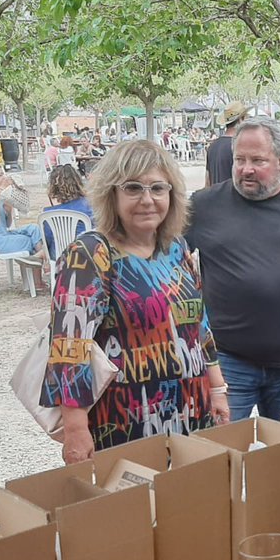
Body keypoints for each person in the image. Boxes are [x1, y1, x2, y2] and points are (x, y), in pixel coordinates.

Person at [42, 140, 230, 461]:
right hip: (124, 424)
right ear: (111, 194)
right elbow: (68, 348)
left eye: (158, 188)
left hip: (191, 413)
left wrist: (217, 389)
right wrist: (75, 429)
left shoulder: (176, 248)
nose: (147, 199)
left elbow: (199, 325)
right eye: (133, 188)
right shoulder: (88, 254)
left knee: (190, 505)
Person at [186, 116, 280, 422]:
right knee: (217, 457)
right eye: (240, 159)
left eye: (257, 160)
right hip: (227, 363)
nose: (246, 169)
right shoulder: (203, 206)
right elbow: (163, 253)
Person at [0, 163, 46, 258]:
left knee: (33, 229)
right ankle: (43, 258)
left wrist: (9, 211)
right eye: (0, 175)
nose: (3, 177)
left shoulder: (1, 195)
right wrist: (2, 187)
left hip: (4, 233)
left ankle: (41, 257)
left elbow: (8, 224)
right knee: (27, 240)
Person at [41, 164, 94, 259]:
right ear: (78, 181)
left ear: (53, 187)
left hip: (60, 256)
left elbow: (47, 241)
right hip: (89, 253)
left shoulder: (48, 214)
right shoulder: (91, 205)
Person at [205, 101, 251, 187]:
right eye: (247, 117)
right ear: (241, 120)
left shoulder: (213, 146)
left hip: (216, 197)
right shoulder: (240, 146)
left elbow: (208, 181)